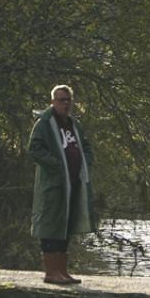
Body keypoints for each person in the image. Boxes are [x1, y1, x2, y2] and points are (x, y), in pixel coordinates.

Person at [28, 84, 95, 285]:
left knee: (66, 227)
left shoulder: (74, 124)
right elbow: (34, 149)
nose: (65, 103)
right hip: (53, 186)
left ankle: (62, 271)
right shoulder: (44, 123)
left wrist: (86, 161)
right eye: (60, 100)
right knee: (51, 227)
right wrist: (57, 164)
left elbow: (86, 146)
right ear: (53, 102)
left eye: (68, 100)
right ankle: (51, 272)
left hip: (73, 184)